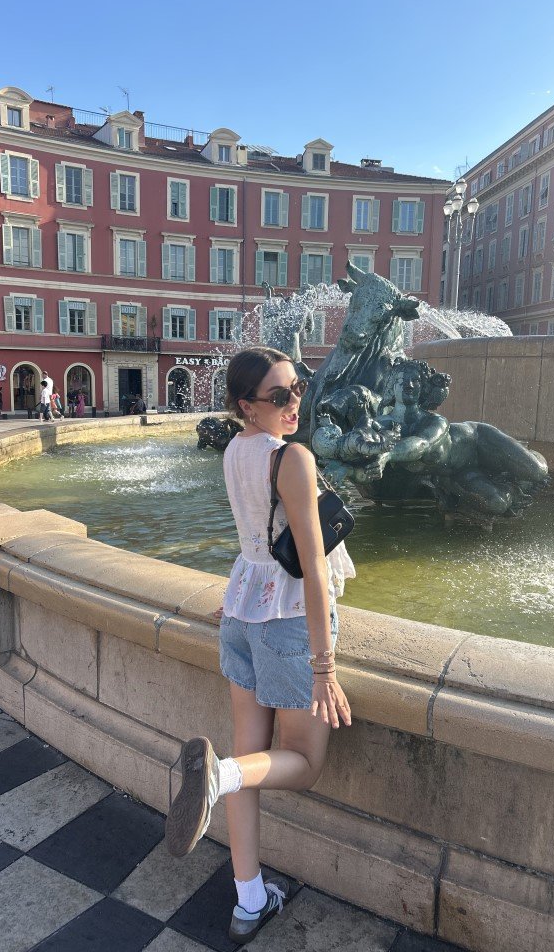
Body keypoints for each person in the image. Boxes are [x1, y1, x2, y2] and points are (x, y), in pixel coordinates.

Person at [165, 347, 355, 944]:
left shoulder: (234, 449)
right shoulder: (292, 458)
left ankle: (249, 900)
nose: (294, 403)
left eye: (297, 389)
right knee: (304, 764)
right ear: (247, 405)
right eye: (279, 397)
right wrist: (324, 669)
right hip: (288, 623)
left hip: (244, 612)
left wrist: (241, 597)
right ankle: (216, 776)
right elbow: (314, 569)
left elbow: (254, 538)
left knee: (250, 761)